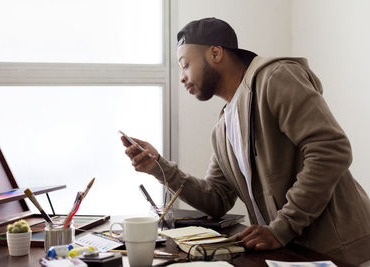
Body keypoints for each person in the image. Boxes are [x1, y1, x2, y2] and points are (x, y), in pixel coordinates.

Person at [121, 17, 370, 265]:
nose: (182, 77)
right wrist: (158, 167)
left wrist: (281, 228)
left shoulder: (275, 78)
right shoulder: (223, 127)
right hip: (293, 256)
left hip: (342, 252)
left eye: (185, 65)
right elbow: (217, 198)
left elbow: (330, 149)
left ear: (216, 53)